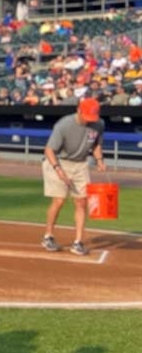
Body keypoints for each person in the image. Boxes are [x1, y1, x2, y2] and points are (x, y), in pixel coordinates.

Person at [41, 97, 104, 256]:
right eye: (87, 116)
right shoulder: (64, 125)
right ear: (78, 111)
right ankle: (48, 236)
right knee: (59, 200)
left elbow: (96, 144)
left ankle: (78, 242)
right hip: (58, 162)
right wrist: (59, 171)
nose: (90, 120)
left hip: (80, 164)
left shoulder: (98, 124)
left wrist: (99, 160)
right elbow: (49, 150)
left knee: (81, 202)